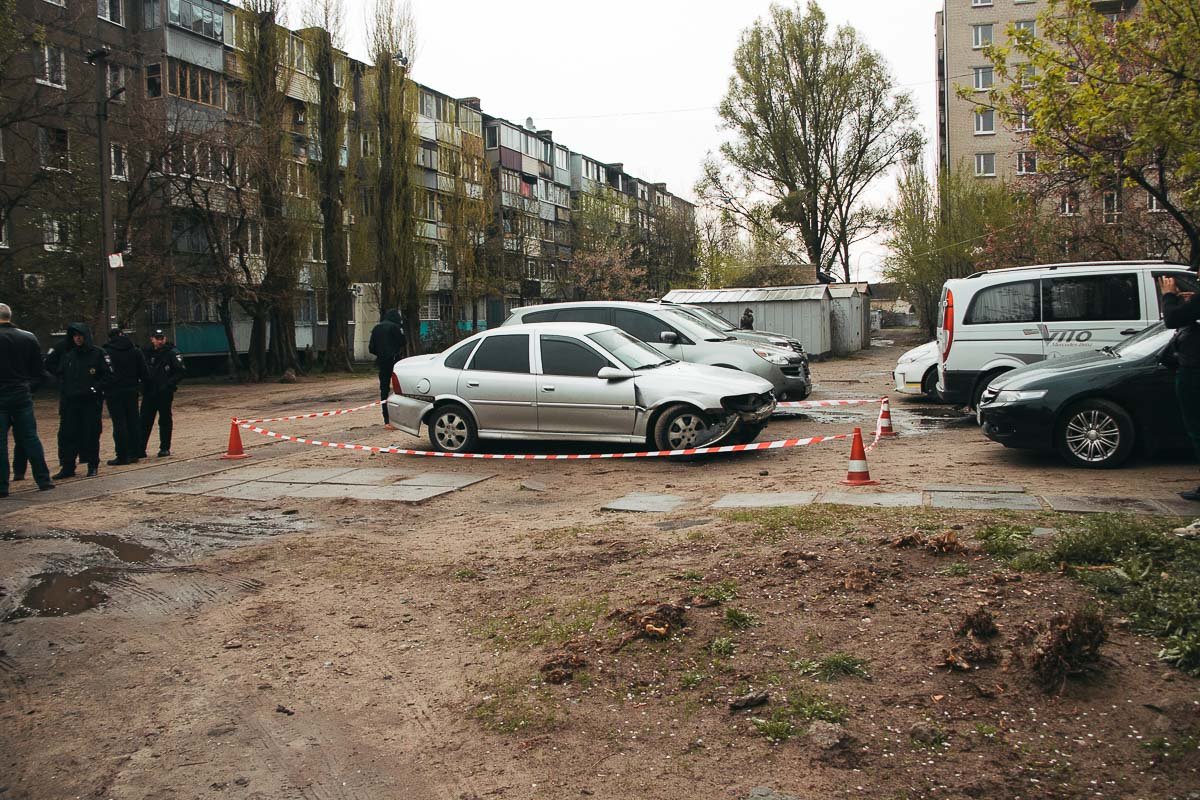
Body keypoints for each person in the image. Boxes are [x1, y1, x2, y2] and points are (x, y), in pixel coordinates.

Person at [0, 304, 54, 495]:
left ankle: (2, 486)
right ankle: (44, 480)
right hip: (22, 393)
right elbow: (39, 372)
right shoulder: (28, 337)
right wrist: (29, 389)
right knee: (30, 438)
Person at [45, 321, 111, 479]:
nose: (78, 339)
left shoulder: (98, 353)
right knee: (68, 434)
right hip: (70, 402)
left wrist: (95, 389)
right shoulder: (69, 355)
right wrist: (62, 387)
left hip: (90, 401)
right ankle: (68, 466)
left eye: (80, 336)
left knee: (91, 433)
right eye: (75, 336)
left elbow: (108, 375)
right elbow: (59, 372)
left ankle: (92, 464)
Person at [1160, 276, 1200, 502]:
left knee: (1196, 428)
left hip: (1194, 370)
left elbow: (1173, 319)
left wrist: (1168, 295)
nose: (1198, 277)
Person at [102, 325, 147, 466]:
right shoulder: (135, 351)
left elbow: (103, 373)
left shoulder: (106, 352)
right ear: (122, 335)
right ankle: (134, 453)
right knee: (133, 421)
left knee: (119, 423)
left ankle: (121, 455)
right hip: (131, 391)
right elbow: (144, 373)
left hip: (113, 392)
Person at [139, 329, 185, 458]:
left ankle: (164, 447)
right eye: (157, 338)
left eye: (161, 338)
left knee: (164, 420)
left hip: (164, 392)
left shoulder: (171, 352)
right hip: (149, 391)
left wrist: (169, 384)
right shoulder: (145, 352)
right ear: (152, 339)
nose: (159, 341)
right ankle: (140, 448)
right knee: (144, 420)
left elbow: (180, 371)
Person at [369, 309, 407, 428]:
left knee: (384, 390)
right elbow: (403, 342)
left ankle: (386, 420)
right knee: (399, 390)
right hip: (395, 361)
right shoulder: (395, 328)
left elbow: (371, 348)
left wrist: (381, 354)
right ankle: (400, 419)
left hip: (382, 362)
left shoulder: (376, 328)